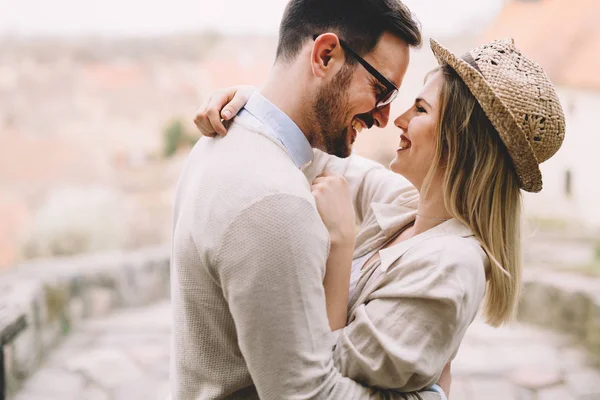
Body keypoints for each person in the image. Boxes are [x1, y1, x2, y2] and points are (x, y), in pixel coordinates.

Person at [194, 37, 566, 398]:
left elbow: (321, 374)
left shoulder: (451, 267)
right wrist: (252, 102)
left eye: (420, 110)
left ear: (461, 142)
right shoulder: (408, 205)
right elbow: (321, 151)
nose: (398, 120)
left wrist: (341, 244)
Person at [169, 0, 446, 399]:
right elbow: (310, 395)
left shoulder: (226, 141)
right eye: (381, 90)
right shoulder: (274, 200)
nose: (384, 117)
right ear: (325, 55)